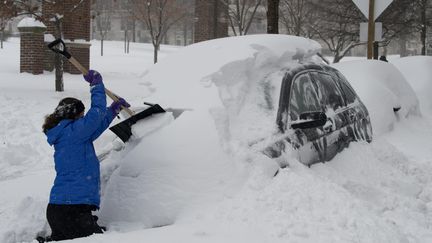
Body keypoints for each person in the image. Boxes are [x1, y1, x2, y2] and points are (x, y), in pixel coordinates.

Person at [40, 70, 130, 242]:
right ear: (74, 115)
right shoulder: (75, 132)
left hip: (60, 209)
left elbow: (94, 127)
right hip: (72, 210)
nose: (83, 118)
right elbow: (96, 113)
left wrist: (112, 111)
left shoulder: (68, 133)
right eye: (81, 115)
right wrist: (96, 86)